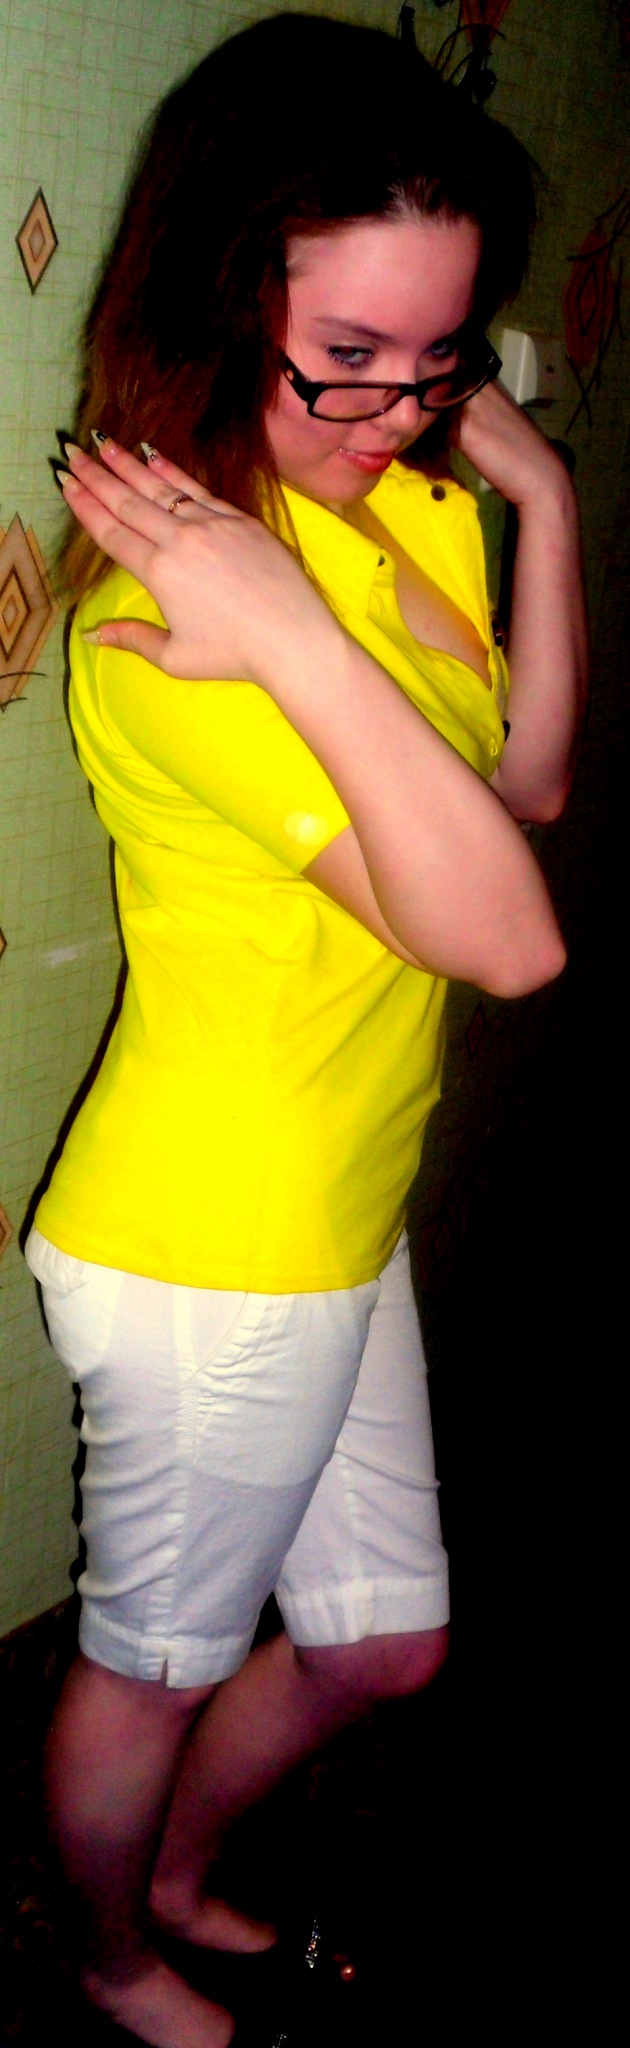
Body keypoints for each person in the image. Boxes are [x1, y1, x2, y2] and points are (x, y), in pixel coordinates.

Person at [25, 15, 587, 2047]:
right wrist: (279, 628)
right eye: (345, 352)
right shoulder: (164, 623)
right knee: (151, 1661)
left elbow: (518, 792)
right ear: (216, 297)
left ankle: (178, 1873)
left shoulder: (397, 497)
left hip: (338, 1208)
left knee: (386, 1645)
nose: (400, 405)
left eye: (440, 356)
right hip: (213, 1251)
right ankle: (101, 1949)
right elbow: (509, 943)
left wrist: (541, 503)